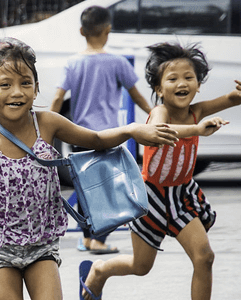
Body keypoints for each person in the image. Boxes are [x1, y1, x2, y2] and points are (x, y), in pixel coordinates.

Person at [0, 37, 178, 300]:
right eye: (5, 85)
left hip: (42, 243)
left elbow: (95, 140)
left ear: (36, 89)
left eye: (25, 83)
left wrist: (131, 130)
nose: (17, 92)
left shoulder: (48, 124)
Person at [80, 42, 241, 300]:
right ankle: (99, 270)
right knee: (140, 267)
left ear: (198, 84)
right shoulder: (159, 112)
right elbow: (162, 131)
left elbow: (230, 98)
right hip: (150, 196)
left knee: (204, 257)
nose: (182, 83)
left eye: (189, 77)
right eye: (172, 78)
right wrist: (196, 130)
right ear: (158, 89)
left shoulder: (197, 111)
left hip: (182, 195)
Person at [50, 5, 152, 255]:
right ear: (108, 30)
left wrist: (48, 132)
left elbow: (56, 99)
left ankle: (88, 237)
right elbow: (137, 96)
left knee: (86, 187)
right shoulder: (117, 62)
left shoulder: (73, 63)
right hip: (108, 135)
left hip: (79, 135)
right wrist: (154, 116)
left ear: (82, 31)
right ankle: (97, 238)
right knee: (108, 187)